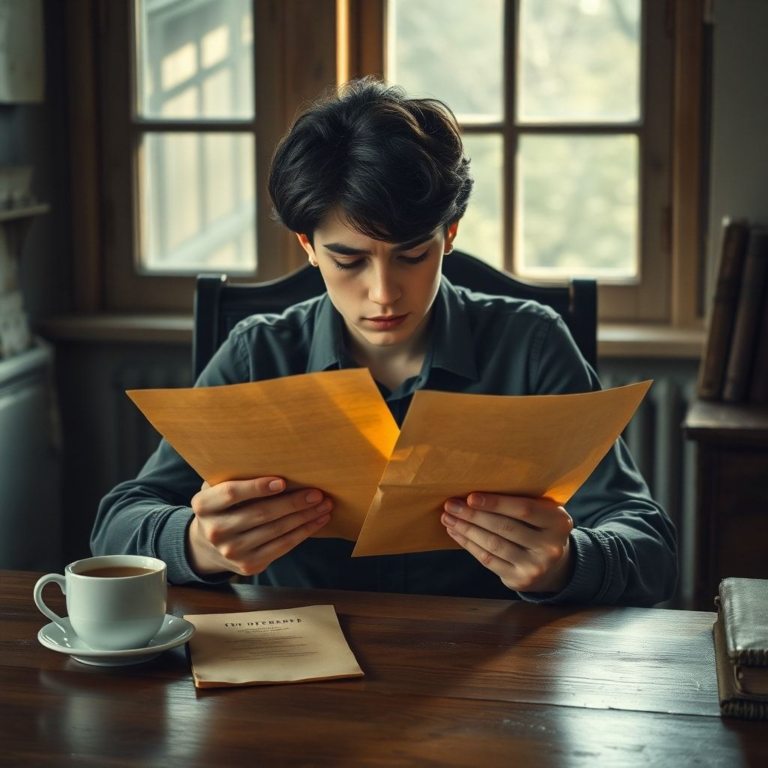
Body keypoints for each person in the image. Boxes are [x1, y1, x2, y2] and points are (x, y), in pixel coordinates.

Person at [92, 77, 677, 606]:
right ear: (307, 245)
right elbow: (117, 525)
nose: (383, 293)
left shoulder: (531, 345)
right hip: (295, 673)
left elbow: (649, 547)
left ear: (449, 235)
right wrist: (197, 544)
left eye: (412, 255)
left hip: (489, 674)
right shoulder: (257, 354)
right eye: (348, 259)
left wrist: (567, 563)